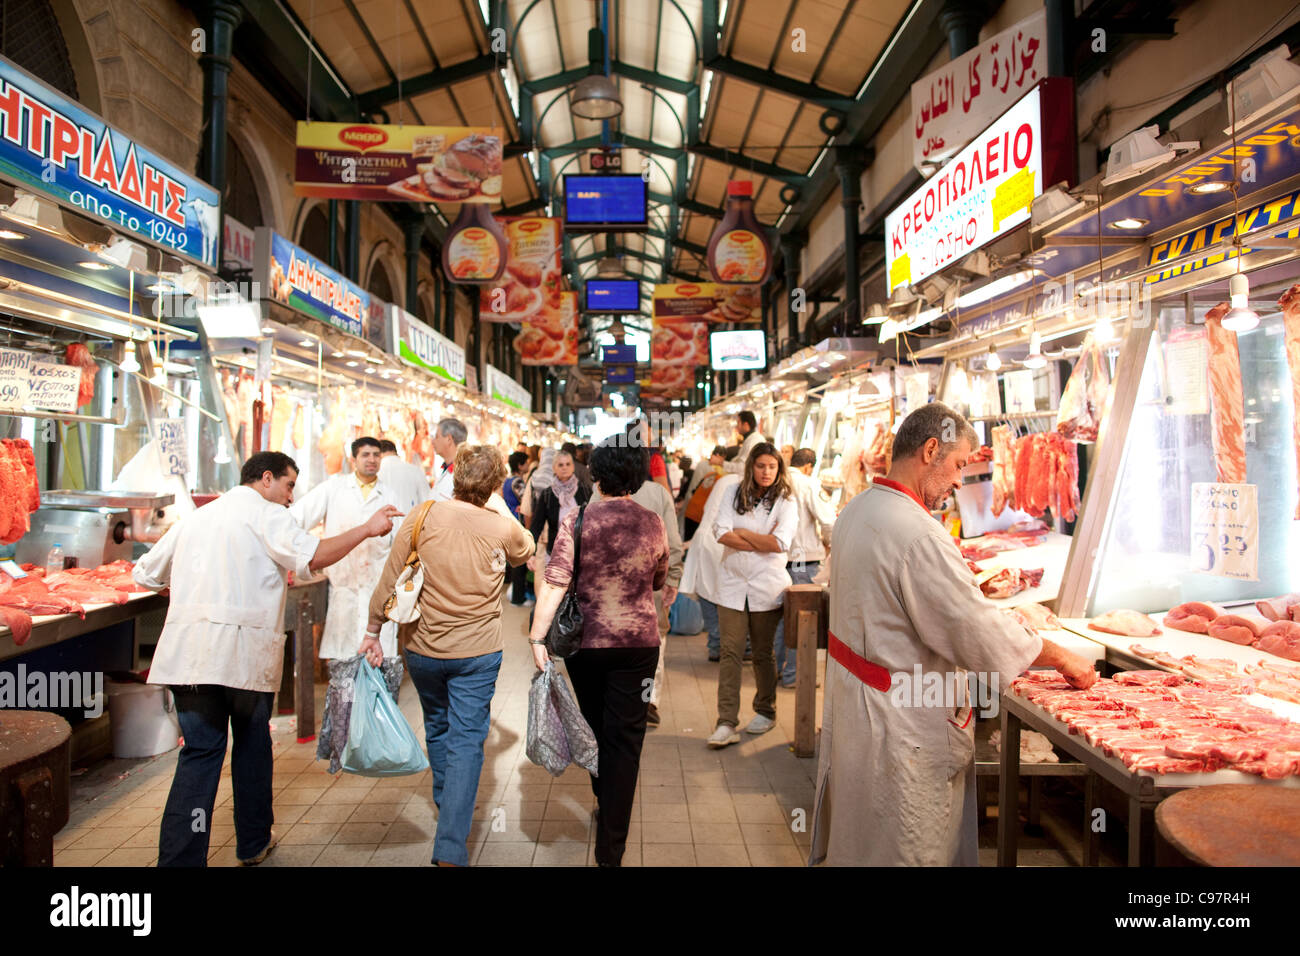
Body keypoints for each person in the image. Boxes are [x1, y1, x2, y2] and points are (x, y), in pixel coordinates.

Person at [809, 403, 1098, 866]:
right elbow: (976, 629)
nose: (962, 480)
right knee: (908, 844)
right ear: (930, 450)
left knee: (863, 840)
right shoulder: (918, 534)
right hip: (900, 722)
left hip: (862, 705)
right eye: (960, 464)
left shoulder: (858, 509)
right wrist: (1062, 657)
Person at [133, 451, 401, 867]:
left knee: (200, 754)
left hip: (188, 655)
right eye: (290, 485)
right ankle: (253, 842)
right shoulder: (266, 514)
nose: (292, 497)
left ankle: (180, 862)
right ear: (267, 479)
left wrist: (197, 592)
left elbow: (146, 574)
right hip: (241, 657)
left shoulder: (197, 518)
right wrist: (367, 529)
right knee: (251, 745)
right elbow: (314, 555)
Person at [363, 445, 534, 867]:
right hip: (477, 652)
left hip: (422, 648)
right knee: (467, 740)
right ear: (496, 484)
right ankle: (451, 845)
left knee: (437, 725)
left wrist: (372, 631)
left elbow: (389, 582)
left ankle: (447, 799)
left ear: (454, 477)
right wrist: (499, 504)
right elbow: (526, 550)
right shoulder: (500, 526)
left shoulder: (421, 516)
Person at [528, 436, 668, 867]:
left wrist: (538, 636)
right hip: (640, 647)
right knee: (626, 740)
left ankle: (603, 797)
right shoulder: (652, 521)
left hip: (586, 646)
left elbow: (555, 579)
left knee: (594, 728)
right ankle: (611, 850)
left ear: (598, 474)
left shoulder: (577, 519)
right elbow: (659, 578)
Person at [591, 420, 683, 727]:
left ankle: (622, 700)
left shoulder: (596, 493)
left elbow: (587, 541)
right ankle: (647, 701)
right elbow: (673, 545)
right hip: (648, 590)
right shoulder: (658, 494)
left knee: (615, 648)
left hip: (606, 593)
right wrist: (670, 581)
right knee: (652, 645)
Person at [707, 442, 798, 749]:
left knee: (763, 653)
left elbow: (780, 543)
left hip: (766, 585)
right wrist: (760, 539)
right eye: (761, 466)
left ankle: (765, 709)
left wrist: (741, 534)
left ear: (779, 469)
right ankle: (726, 721)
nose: (766, 472)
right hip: (732, 585)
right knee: (730, 653)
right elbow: (720, 532)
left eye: (772, 467)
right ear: (751, 467)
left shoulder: (787, 500)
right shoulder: (733, 493)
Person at [772, 447, 837, 688]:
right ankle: (793, 677)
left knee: (780, 619)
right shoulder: (809, 484)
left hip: (775, 561)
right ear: (809, 466)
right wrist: (832, 547)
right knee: (803, 621)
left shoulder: (776, 481)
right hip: (803, 563)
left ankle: (776, 671)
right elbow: (828, 521)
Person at [680, 472, 740, 663]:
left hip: (703, 541)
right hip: (719, 543)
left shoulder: (722, 479)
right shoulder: (738, 482)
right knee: (723, 596)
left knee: (706, 594)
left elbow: (706, 509)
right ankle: (726, 645)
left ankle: (715, 645)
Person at [529, 448, 592, 562]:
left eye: (568, 464)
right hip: (556, 552)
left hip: (581, 552)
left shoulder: (584, 490)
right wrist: (531, 554)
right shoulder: (548, 494)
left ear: (573, 467)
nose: (564, 468)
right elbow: (536, 525)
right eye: (560, 465)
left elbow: (593, 520)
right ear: (554, 468)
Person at [503, 451, 533, 606]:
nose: (528, 464)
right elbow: (526, 501)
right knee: (520, 562)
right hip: (518, 522)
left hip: (510, 521)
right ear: (520, 465)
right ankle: (518, 597)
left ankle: (516, 595)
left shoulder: (508, 481)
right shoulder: (517, 482)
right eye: (526, 462)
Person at [680, 445, 728, 541]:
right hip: (700, 509)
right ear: (719, 455)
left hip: (691, 501)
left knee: (684, 533)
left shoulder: (702, 464)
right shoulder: (716, 470)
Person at [378, 438, 432, 513]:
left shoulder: (374, 474)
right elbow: (427, 502)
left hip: (382, 524)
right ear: (395, 452)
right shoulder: (415, 470)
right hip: (411, 522)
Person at [431, 418, 468, 501]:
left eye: (437, 437)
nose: (432, 442)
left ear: (448, 439)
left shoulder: (463, 476)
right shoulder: (447, 469)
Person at [721, 410, 763, 475]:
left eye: (738, 423)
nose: (737, 427)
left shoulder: (753, 441)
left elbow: (743, 468)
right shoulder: (750, 439)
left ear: (746, 425)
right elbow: (738, 460)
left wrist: (721, 463)